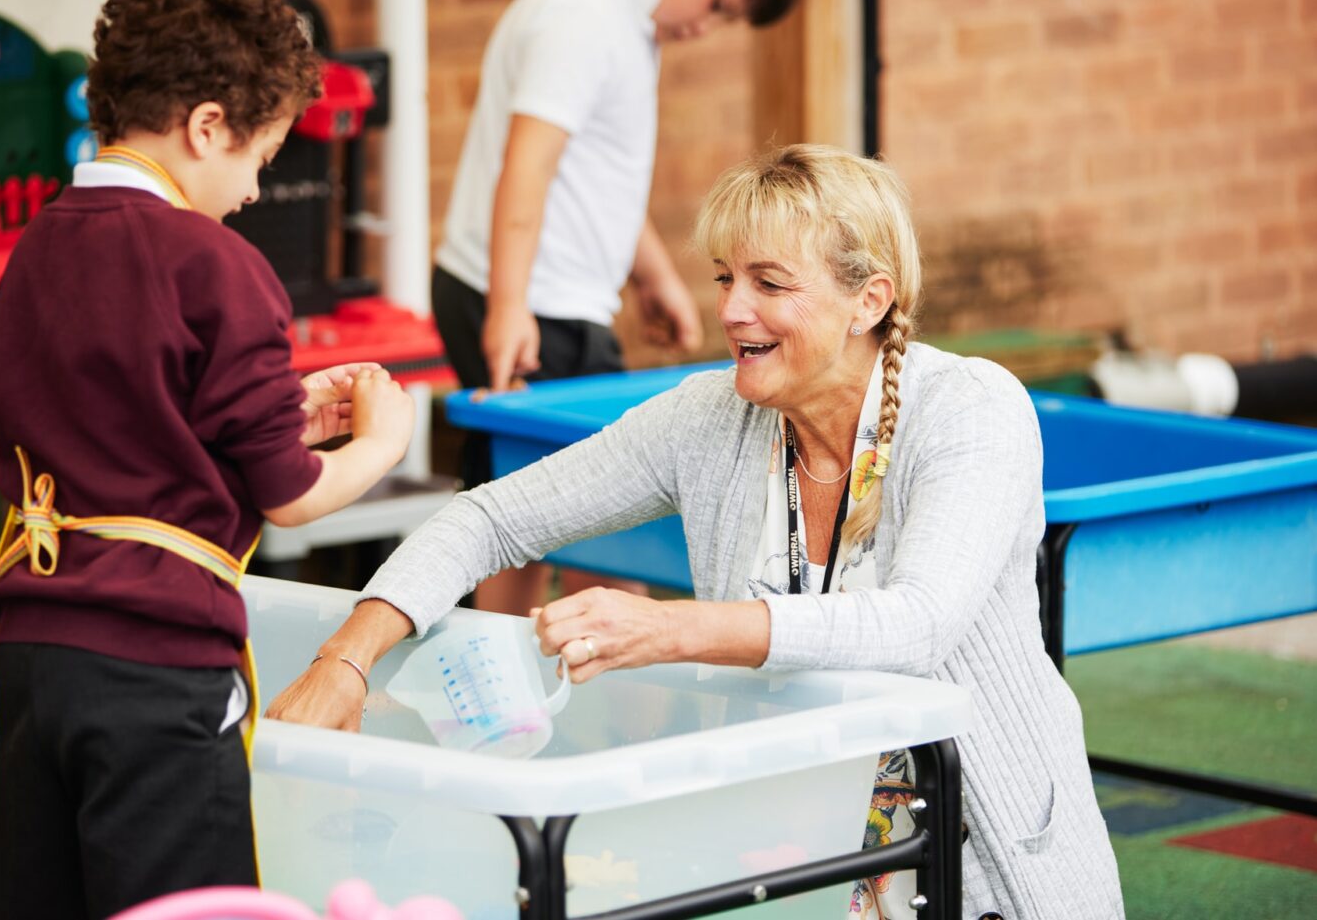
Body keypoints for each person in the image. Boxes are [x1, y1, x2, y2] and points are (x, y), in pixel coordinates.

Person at [268, 145, 1126, 919]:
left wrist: (669, 630)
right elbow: (488, 515)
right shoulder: (709, 417)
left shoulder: (972, 408)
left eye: (769, 283)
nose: (733, 309)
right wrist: (345, 659)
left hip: (992, 855)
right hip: (800, 855)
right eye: (724, 278)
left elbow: (920, 621)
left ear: (870, 301)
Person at [0, 0, 415, 920]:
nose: (254, 190)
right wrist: (377, 441)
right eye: (258, 156)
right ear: (207, 125)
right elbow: (289, 494)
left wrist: (267, 410)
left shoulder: (34, 247)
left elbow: (101, 424)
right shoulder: (217, 264)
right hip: (155, 668)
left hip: (33, 650)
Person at [431, 0, 801, 614]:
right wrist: (511, 306)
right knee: (577, 511)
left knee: (550, 507)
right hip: (531, 301)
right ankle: (510, 699)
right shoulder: (586, 9)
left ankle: (521, 692)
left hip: (546, 295)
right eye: (718, 3)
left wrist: (650, 272)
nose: (705, 27)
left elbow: (593, 171)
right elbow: (529, 165)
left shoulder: (621, 13)